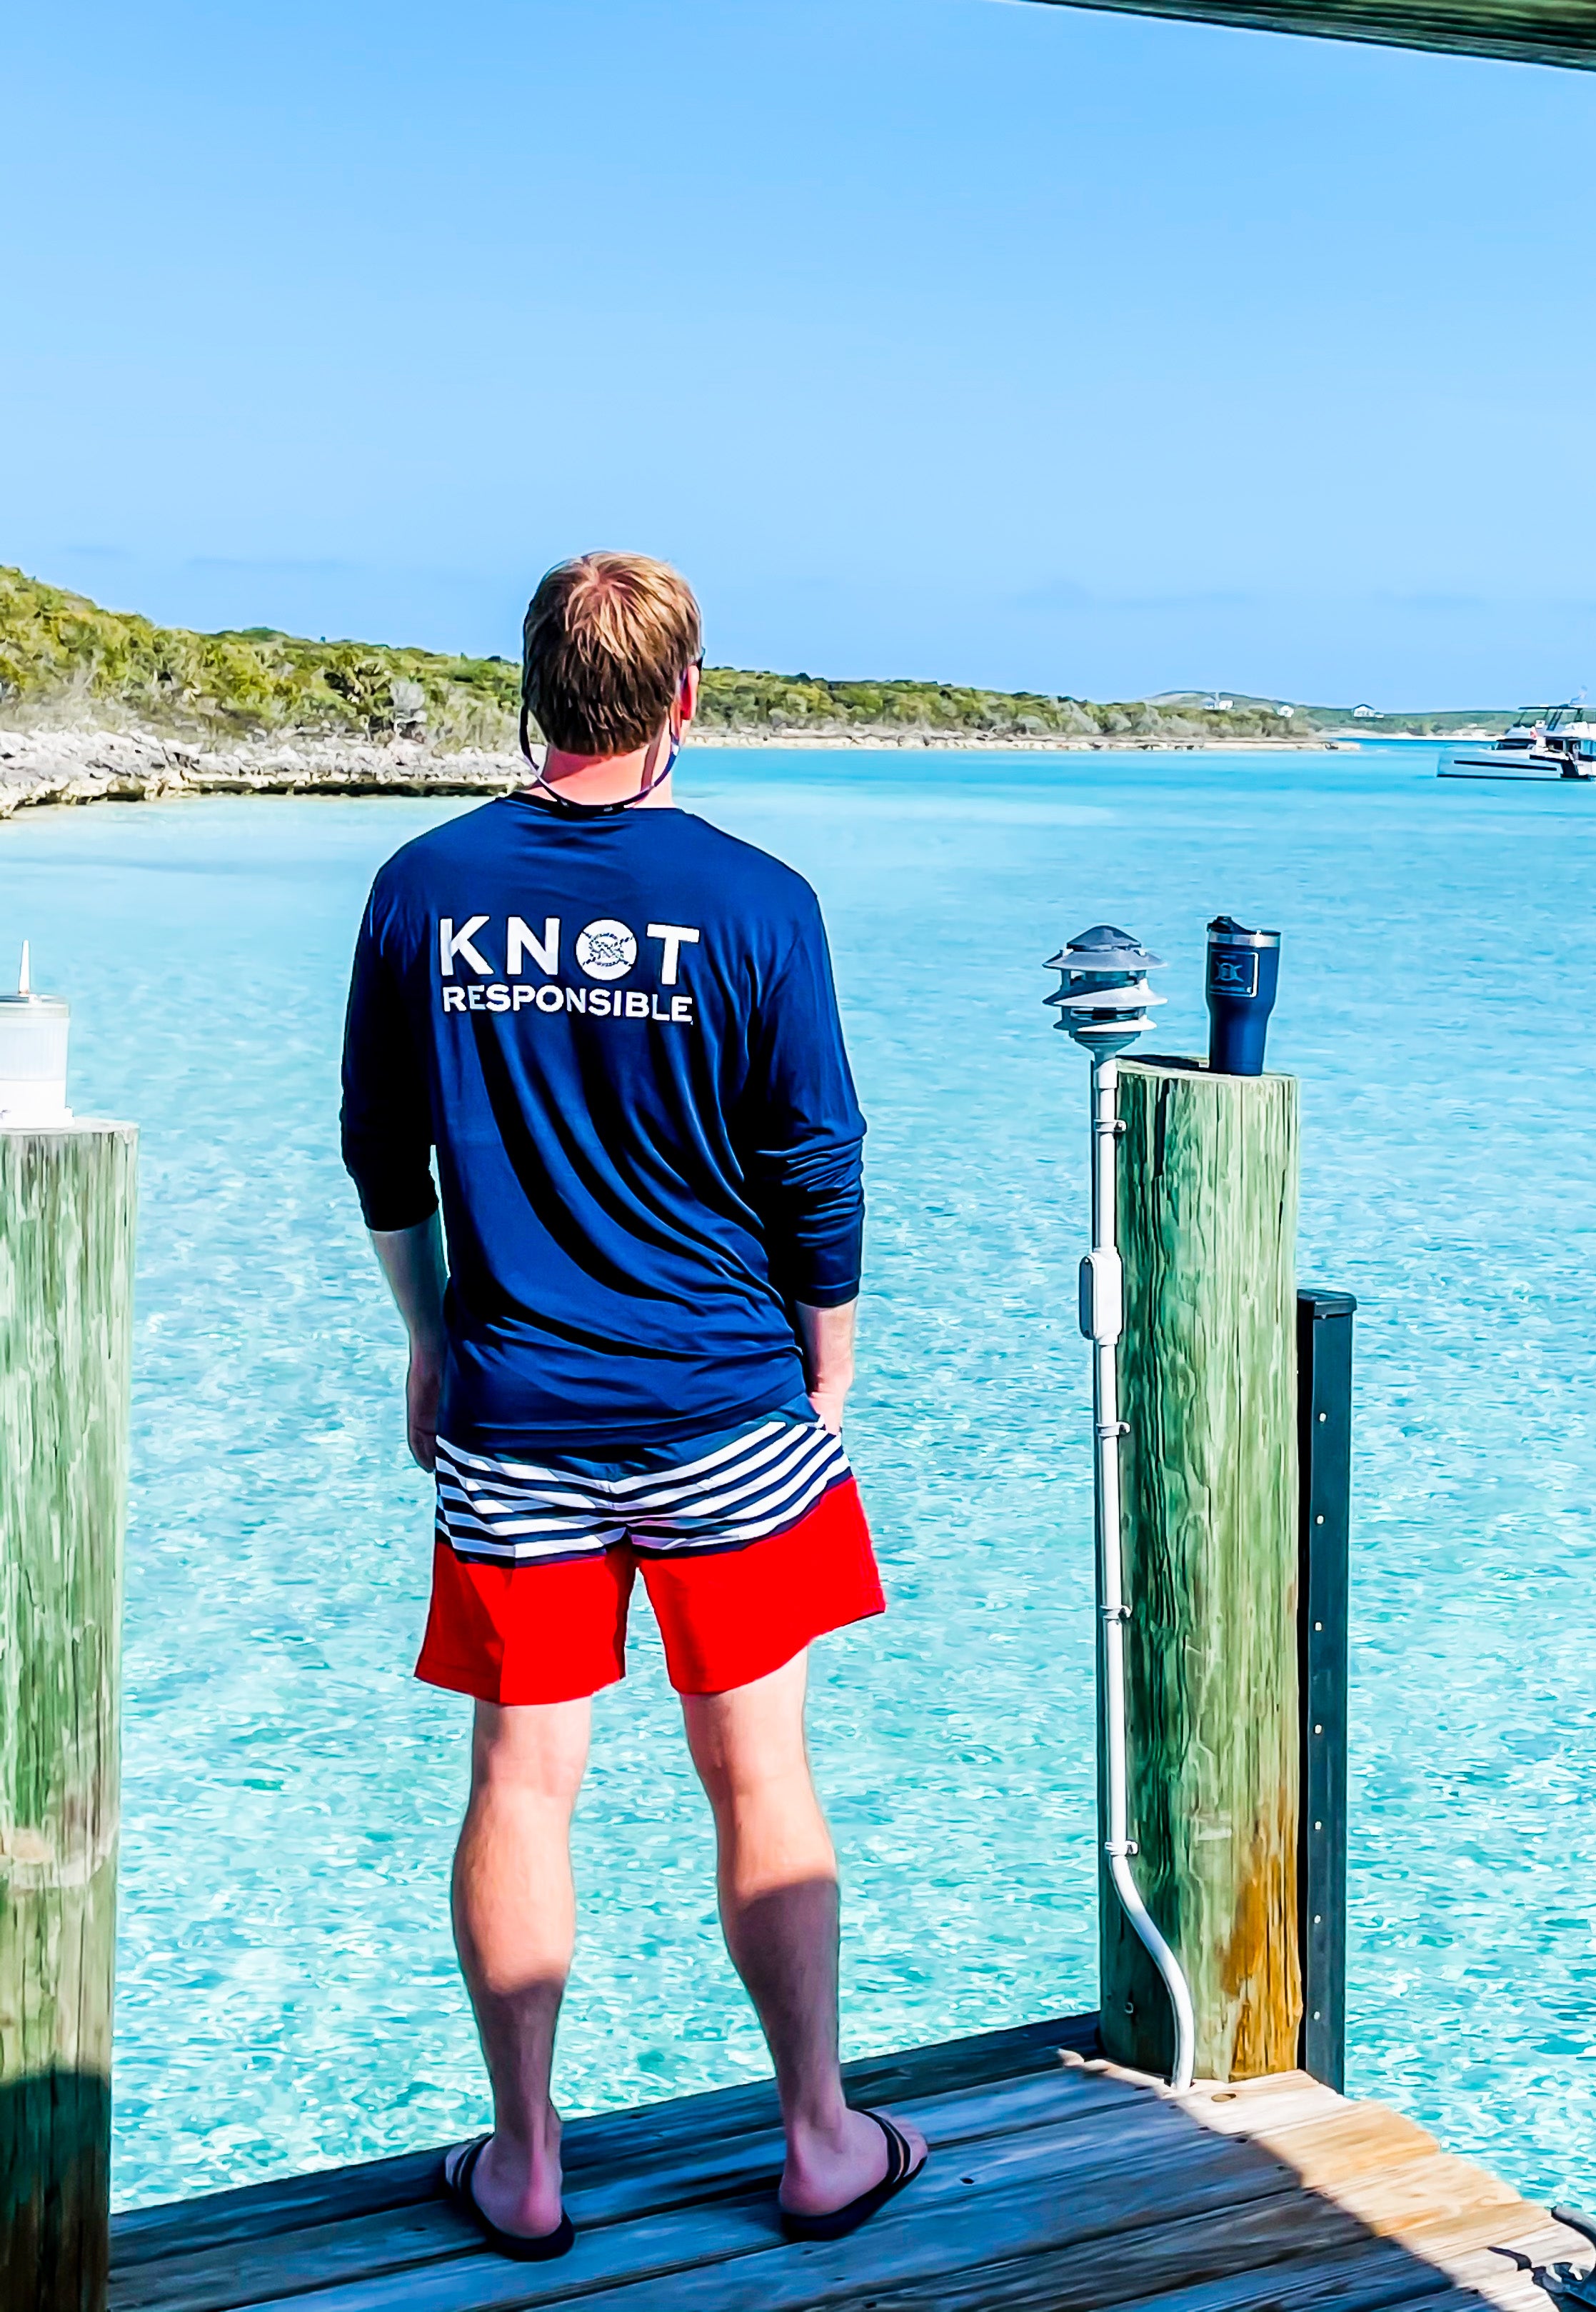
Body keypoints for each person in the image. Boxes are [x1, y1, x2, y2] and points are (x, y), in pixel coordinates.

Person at [339, 551, 927, 2263]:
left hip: (516, 1411)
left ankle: (526, 2164)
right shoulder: (758, 900)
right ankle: (821, 2137)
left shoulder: (421, 887)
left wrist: (431, 1341)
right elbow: (817, 1161)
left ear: (526, 688)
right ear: (684, 695)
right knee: (761, 1770)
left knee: (526, 1782)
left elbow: (388, 1157)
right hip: (729, 1407)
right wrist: (831, 1361)